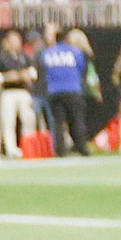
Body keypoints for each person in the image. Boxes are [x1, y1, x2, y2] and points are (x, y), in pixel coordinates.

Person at [37, 24, 90, 155]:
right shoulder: (75, 52)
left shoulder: (47, 53)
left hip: (54, 90)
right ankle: (82, 148)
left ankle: (60, 151)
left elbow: (43, 70)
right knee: (77, 121)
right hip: (73, 89)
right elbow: (82, 69)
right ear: (66, 38)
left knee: (58, 123)